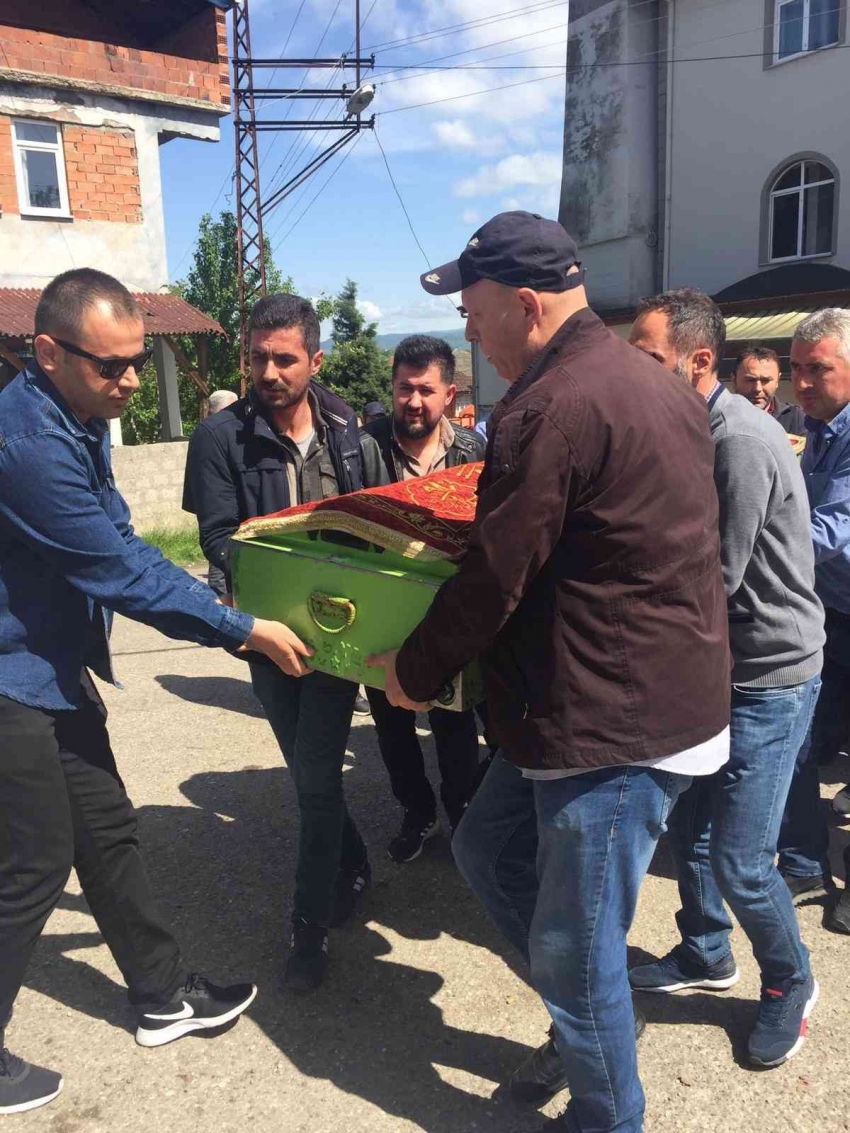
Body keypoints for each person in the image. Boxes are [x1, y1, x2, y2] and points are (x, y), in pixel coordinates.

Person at [369, 211, 730, 1133]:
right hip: (601, 698)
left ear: (528, 305)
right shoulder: (643, 383)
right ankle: (596, 1015)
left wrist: (411, 671)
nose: (470, 333)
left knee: (571, 949)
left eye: (477, 313)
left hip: (610, 718)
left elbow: (496, 573)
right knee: (487, 850)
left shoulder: (550, 406)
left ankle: (609, 1109)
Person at [0, 269, 313, 1114]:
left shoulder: (77, 415)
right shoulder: (25, 446)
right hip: (8, 681)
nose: (132, 380)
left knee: (106, 833)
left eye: (139, 362)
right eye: (113, 366)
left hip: (49, 670)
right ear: (49, 353)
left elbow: (123, 538)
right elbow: (117, 571)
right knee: (30, 862)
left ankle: (162, 995)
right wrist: (241, 626)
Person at [628, 288, 824, 1066]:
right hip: (718, 663)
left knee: (742, 856)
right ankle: (709, 951)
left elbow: (716, 574)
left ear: (697, 360)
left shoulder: (736, 440)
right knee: (693, 827)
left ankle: (791, 980)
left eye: (647, 360)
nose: (632, 375)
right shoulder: (687, 426)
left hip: (768, 676)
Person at [183, 293, 386, 991]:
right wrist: (269, 576)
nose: (267, 372)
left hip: (338, 631)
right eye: (257, 357)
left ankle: (309, 926)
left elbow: (368, 515)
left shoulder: (345, 426)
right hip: (265, 637)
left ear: (315, 360)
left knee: (318, 775)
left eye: (284, 358)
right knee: (311, 776)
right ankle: (355, 862)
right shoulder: (219, 438)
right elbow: (214, 536)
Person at [362, 335, 485, 861]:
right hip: (381, 609)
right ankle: (417, 810)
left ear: (450, 394)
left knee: (453, 722)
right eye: (404, 389)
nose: (414, 402)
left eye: (426, 391)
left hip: (451, 613)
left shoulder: (472, 451)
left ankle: (462, 810)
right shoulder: (364, 448)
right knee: (392, 725)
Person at [779, 308, 850, 935]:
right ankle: (803, 862)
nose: (800, 383)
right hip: (825, 610)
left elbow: (828, 530)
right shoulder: (811, 428)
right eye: (794, 369)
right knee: (800, 741)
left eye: (817, 370)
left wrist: (746, 522)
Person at [202, 389, 240, 595]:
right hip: (221, 516)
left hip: (237, 514)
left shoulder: (237, 435)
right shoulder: (208, 437)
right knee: (220, 562)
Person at [731, 342, 806, 434]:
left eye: (765, 380)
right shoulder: (717, 419)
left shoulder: (796, 418)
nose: (758, 388)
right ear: (734, 380)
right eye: (750, 380)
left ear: (777, 380)